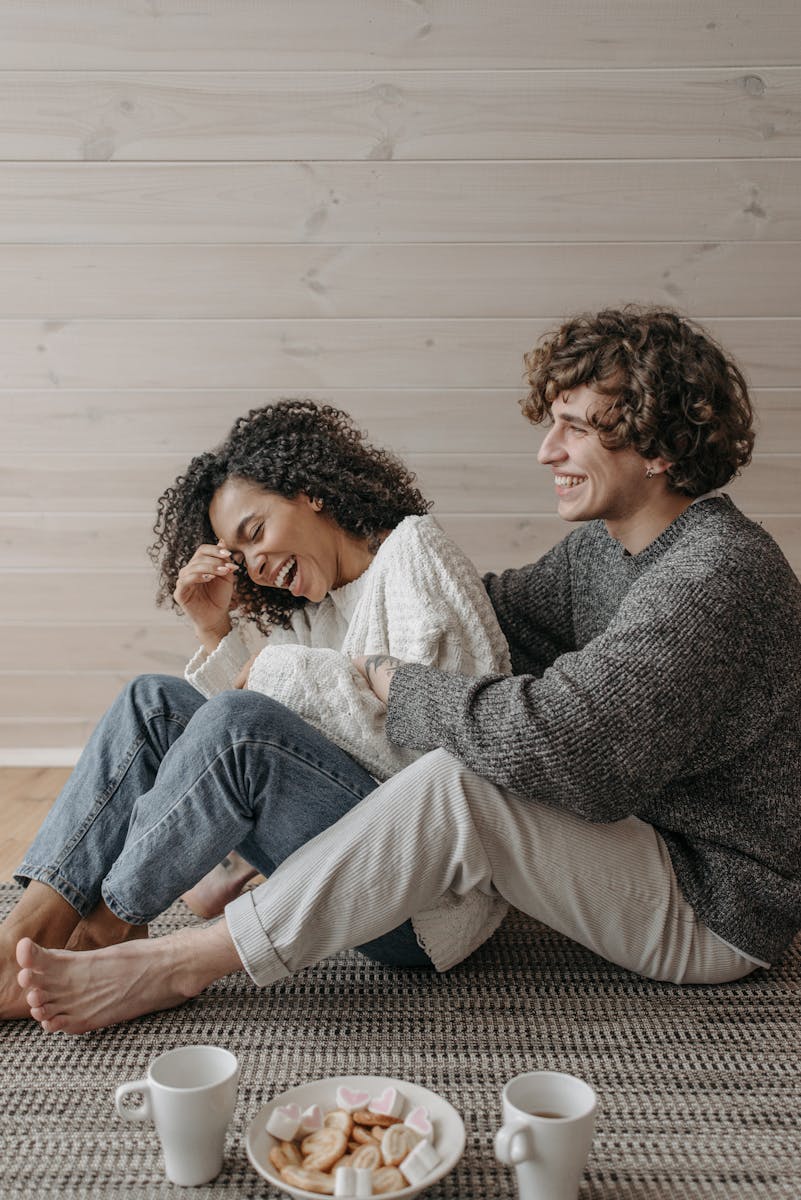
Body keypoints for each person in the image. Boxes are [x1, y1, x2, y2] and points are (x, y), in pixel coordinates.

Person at [9, 305, 801, 1036]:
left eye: (572, 429)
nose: (545, 450)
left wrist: (384, 678)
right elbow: (483, 617)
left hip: (709, 899)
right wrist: (300, 613)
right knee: (157, 702)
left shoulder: (715, 575)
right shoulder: (603, 552)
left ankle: (168, 963)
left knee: (459, 783)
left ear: (657, 447)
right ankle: (24, 930)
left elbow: (570, 747)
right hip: (634, 841)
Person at [0, 399, 510, 1022]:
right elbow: (218, 768)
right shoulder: (317, 612)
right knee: (152, 702)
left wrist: (270, 670)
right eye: (242, 558)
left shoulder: (415, 552)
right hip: (339, 866)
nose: (257, 565)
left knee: (241, 726)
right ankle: (26, 932)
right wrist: (215, 630)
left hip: (422, 896)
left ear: (310, 494)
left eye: (256, 532)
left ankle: (106, 930)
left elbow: (459, 749)